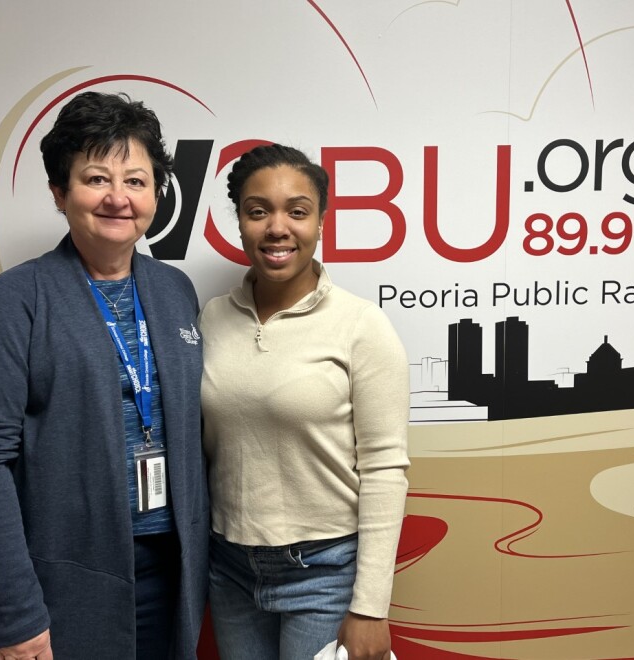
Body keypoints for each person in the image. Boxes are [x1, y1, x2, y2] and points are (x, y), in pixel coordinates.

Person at [0, 91, 208, 659]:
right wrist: (15, 613)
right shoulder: (15, 301)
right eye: (96, 179)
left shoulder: (173, 291)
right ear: (60, 193)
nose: (118, 198)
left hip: (166, 572)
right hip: (56, 578)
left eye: (136, 181)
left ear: (156, 195)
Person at [200, 144, 409, 660]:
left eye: (297, 211)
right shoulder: (209, 319)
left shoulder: (362, 325)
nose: (277, 227)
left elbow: (385, 467)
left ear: (320, 222)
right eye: (258, 211)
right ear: (241, 223)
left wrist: (370, 608)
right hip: (228, 569)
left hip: (324, 575)